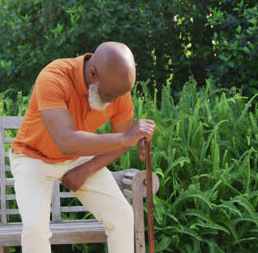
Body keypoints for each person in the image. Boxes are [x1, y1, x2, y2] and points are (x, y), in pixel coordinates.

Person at [9, 42, 156, 253]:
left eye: (118, 96)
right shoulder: (54, 77)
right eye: (109, 96)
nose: (114, 101)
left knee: (122, 216)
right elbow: (66, 141)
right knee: (35, 229)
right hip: (33, 157)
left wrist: (87, 169)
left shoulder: (117, 87)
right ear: (92, 73)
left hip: (79, 157)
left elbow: (122, 141)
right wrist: (127, 137)